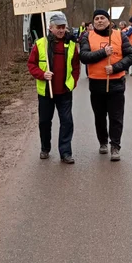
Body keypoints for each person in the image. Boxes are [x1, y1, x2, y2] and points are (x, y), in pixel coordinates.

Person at [79, 9, 132, 161]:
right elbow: (84, 57)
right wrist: (103, 52)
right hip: (96, 85)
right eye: (96, 18)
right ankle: (103, 142)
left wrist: (116, 67)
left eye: (102, 18)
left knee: (116, 117)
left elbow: (131, 55)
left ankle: (115, 146)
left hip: (116, 84)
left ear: (109, 21)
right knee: (100, 116)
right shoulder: (87, 36)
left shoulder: (119, 35)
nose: (99, 20)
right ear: (93, 22)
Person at [27, 12, 80, 163]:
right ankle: (45, 148)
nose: (61, 30)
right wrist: (42, 74)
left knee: (67, 122)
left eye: (63, 27)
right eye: (58, 27)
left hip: (64, 91)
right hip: (46, 92)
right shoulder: (40, 44)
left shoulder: (71, 44)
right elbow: (31, 65)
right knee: (44, 121)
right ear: (50, 28)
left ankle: (65, 153)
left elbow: (76, 66)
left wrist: (73, 82)